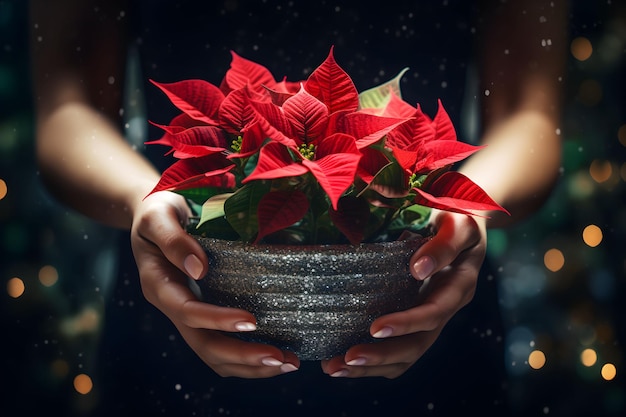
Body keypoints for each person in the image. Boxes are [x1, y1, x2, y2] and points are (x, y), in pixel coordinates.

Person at [30, 0, 567, 415]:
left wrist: (462, 214)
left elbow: (531, 114)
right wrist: (145, 201)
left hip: (427, 301)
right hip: (180, 297)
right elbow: (65, 111)